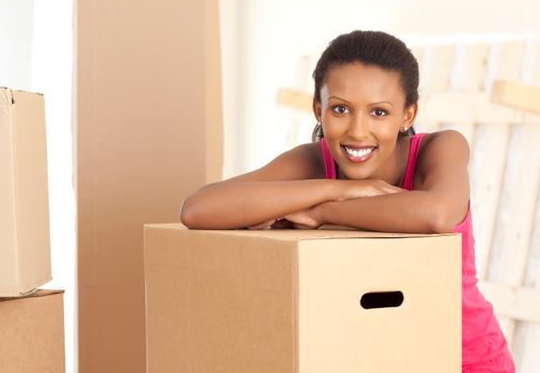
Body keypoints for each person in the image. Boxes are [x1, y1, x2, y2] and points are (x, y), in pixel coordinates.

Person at [180, 30, 515, 372]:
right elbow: (198, 209)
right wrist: (338, 189)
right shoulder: (313, 162)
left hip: (465, 359)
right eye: (340, 109)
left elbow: (437, 214)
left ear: (408, 115)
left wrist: (319, 213)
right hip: (369, 357)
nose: (357, 130)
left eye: (379, 113)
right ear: (318, 110)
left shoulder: (440, 149)